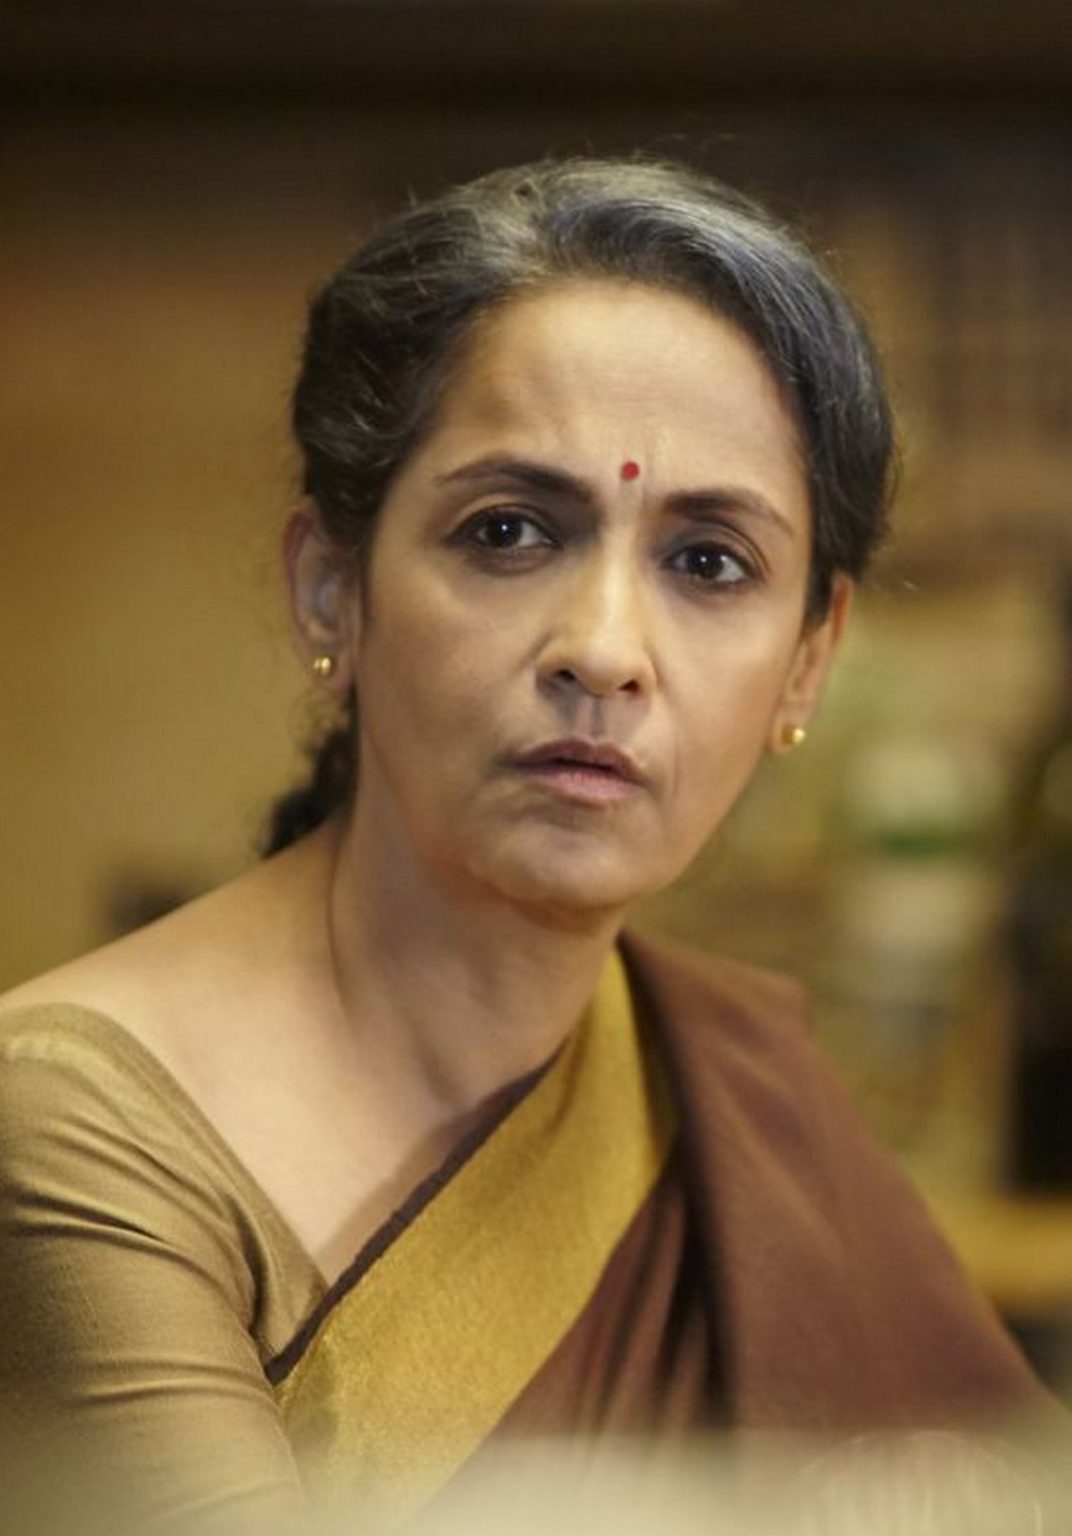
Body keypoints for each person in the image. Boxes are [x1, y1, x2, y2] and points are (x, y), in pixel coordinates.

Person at [0, 156, 1056, 1531]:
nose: (604, 651)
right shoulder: (78, 1138)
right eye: (509, 532)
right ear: (331, 590)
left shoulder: (740, 1093)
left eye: (709, 562)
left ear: (809, 661)